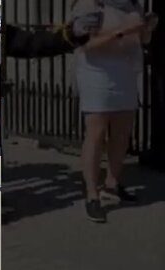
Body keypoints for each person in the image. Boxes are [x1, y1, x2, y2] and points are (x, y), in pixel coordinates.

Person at [72, 0, 158, 223]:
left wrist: (146, 29)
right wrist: (124, 30)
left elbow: (143, 40)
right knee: (97, 133)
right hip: (97, 73)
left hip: (126, 71)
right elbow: (86, 45)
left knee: (122, 133)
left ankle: (112, 184)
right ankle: (92, 195)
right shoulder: (89, 5)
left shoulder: (131, 6)